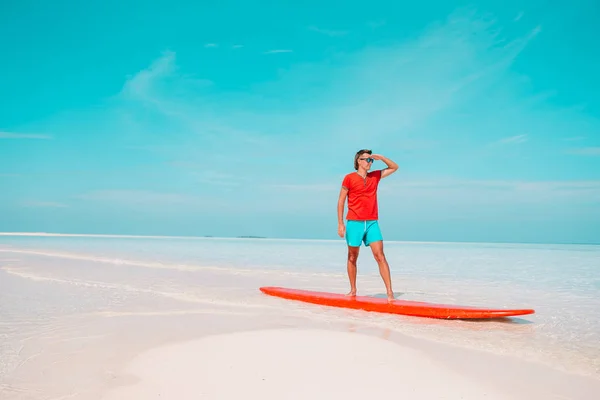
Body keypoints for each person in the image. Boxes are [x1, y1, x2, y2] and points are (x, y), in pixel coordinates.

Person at [337, 149, 398, 302]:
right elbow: (341, 201)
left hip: (372, 223)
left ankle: (390, 293)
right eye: (367, 159)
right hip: (354, 223)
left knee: (380, 256)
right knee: (352, 257)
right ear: (359, 161)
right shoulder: (349, 178)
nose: (370, 162)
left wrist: (382, 157)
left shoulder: (375, 176)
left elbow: (394, 167)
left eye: (371, 160)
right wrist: (340, 223)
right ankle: (353, 290)